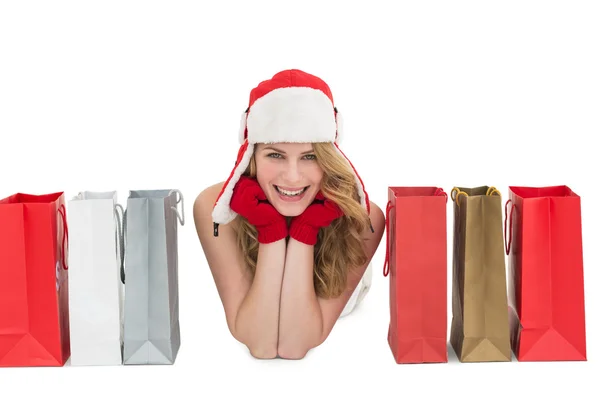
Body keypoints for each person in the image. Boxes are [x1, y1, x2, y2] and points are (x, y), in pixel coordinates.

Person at [193, 69, 385, 360]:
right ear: (251, 157)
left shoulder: (363, 217)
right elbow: (261, 344)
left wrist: (306, 230)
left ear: (329, 159)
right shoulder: (215, 207)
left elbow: (295, 346)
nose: (293, 177)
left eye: (310, 156)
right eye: (275, 154)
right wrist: (270, 228)